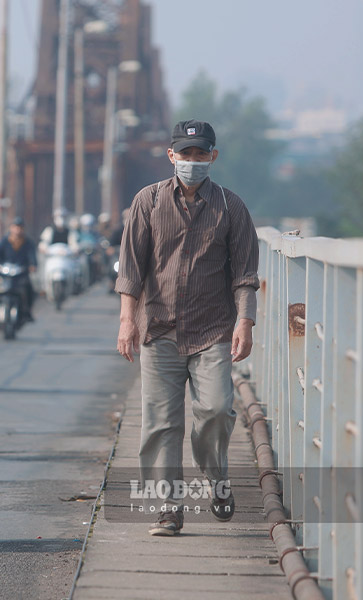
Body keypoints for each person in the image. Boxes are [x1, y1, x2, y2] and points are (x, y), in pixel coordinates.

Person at [115, 119, 259, 537]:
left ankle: (216, 480)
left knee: (215, 410)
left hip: (212, 329)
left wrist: (245, 322)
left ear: (212, 157)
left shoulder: (231, 208)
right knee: (160, 424)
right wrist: (127, 321)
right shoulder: (148, 201)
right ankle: (167, 507)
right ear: (171, 155)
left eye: (201, 155)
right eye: (186, 154)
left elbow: (245, 273)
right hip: (158, 328)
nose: (192, 162)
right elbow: (132, 269)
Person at [0, 217, 37, 322]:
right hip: (5, 273)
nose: (17, 230)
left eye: (20, 228)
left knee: (29, 289)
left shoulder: (28, 243)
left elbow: (32, 256)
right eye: (15, 227)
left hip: (21, 273)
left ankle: (27, 311)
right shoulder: (5, 241)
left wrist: (33, 265)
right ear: (11, 228)